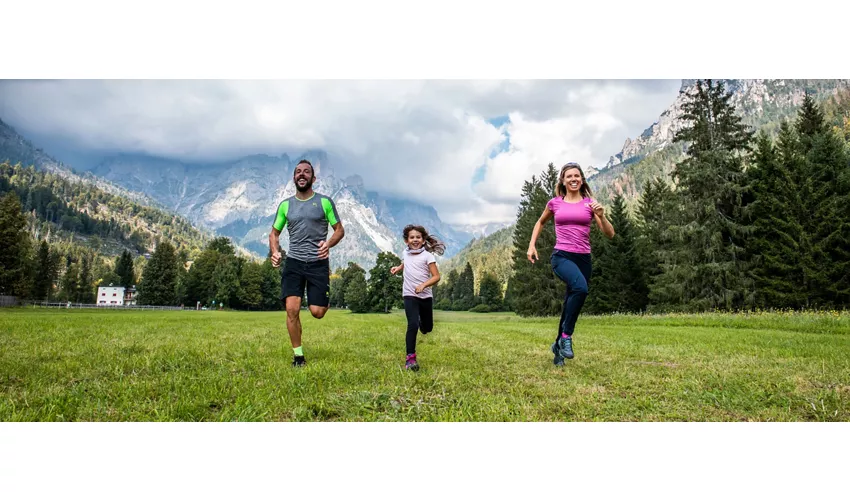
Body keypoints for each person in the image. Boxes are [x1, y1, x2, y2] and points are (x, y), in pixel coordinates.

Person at [527, 162, 615, 365]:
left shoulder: (590, 204)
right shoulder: (555, 203)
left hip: (583, 258)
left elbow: (609, 234)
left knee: (570, 303)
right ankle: (566, 337)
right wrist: (532, 245)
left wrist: (601, 216)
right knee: (580, 288)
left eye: (577, 176)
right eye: (569, 176)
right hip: (562, 256)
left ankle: (558, 348)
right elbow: (540, 222)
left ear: (582, 180)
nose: (574, 179)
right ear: (563, 181)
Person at [269, 159, 345, 367]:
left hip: (318, 262)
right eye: (298, 172)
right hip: (293, 262)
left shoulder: (324, 202)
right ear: (294, 177)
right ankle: (298, 356)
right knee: (292, 310)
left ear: (313, 178)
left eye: (306, 172)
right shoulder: (285, 205)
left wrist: (328, 244)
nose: (302, 175)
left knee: (317, 312)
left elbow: (339, 230)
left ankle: (323, 298)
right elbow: (274, 233)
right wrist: (275, 252)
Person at [390, 224, 445, 371]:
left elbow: (436, 277)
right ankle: (410, 359)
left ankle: (423, 323)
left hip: (425, 296)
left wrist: (423, 285)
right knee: (412, 325)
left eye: (418, 237)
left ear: (423, 240)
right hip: (409, 294)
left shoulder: (428, 256)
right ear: (406, 241)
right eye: (412, 237)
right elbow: (405, 262)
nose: (415, 239)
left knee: (427, 328)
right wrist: (398, 268)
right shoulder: (405, 253)